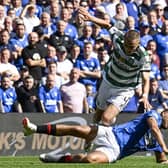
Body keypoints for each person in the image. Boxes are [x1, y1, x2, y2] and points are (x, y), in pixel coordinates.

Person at [78, 7, 151, 126]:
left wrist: (145, 95)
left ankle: (109, 141)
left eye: (131, 47)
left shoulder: (143, 56)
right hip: (108, 81)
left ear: (138, 44)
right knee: (97, 116)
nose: (128, 49)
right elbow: (107, 25)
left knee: (106, 118)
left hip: (125, 89)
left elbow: (146, 79)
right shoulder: (118, 37)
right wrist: (90, 18)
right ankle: (90, 139)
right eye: (127, 45)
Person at [22, 109, 168, 164]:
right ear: (165, 113)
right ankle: (34, 129)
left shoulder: (157, 140)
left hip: (116, 152)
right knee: (76, 129)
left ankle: (59, 158)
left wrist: (163, 157)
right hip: (111, 134)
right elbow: (153, 127)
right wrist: (164, 146)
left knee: (90, 160)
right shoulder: (154, 115)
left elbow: (162, 161)